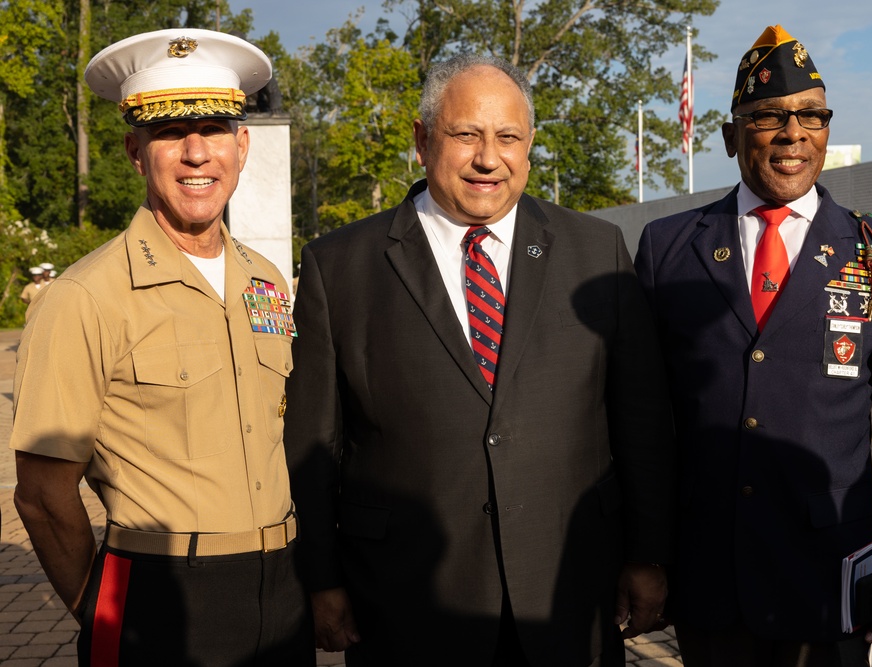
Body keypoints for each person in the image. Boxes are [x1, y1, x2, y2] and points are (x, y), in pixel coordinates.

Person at [283, 53, 675, 666]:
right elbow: (312, 444)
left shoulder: (598, 253)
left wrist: (647, 555)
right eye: (466, 134)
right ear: (422, 139)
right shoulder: (339, 267)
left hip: (568, 598)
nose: (488, 158)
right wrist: (321, 579)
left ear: (529, 145)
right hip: (407, 606)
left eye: (508, 137)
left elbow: (641, 423)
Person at [634, 25, 872, 667]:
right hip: (708, 578)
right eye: (768, 117)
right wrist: (644, 553)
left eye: (812, 115)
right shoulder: (668, 248)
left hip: (827, 579)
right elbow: (644, 422)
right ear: (729, 136)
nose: (792, 133)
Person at [11, 28, 314, 667]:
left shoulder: (265, 279)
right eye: (170, 133)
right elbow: (41, 495)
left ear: (243, 144)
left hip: (283, 588)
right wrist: (101, 611)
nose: (196, 153)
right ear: (134, 151)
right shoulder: (85, 297)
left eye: (213, 129)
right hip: (160, 594)